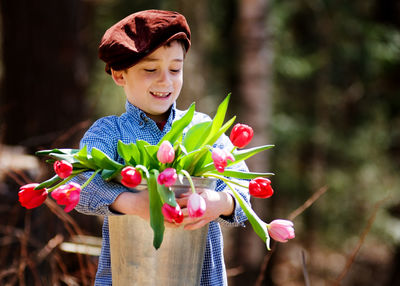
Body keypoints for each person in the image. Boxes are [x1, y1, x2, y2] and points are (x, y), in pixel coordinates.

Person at [73, 9, 250, 286]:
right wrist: (133, 203)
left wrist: (219, 203)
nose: (165, 81)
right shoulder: (110, 132)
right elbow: (79, 178)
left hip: (201, 277)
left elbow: (242, 184)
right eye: (150, 69)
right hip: (127, 274)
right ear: (120, 74)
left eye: (175, 69)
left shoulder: (204, 130)